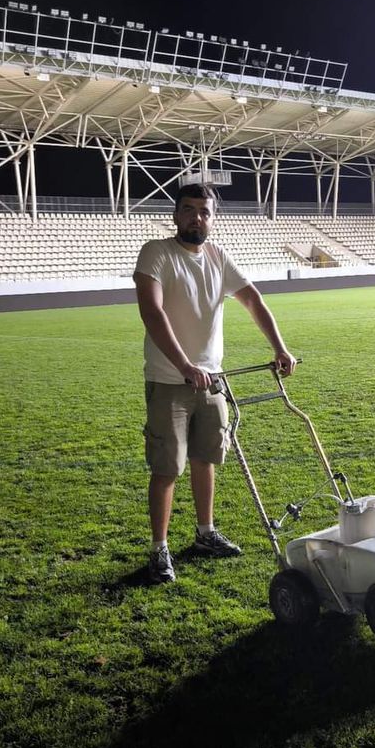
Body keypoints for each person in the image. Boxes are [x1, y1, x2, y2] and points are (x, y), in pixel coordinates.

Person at [134, 183, 296, 584]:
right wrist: (185, 365)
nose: (196, 218)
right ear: (175, 215)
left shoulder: (218, 258)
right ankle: (159, 550)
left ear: (213, 218)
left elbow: (254, 300)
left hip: (212, 381)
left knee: (207, 459)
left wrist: (280, 347)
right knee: (167, 467)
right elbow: (152, 313)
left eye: (204, 212)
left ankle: (205, 534)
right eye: (188, 210)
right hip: (170, 380)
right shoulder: (157, 253)